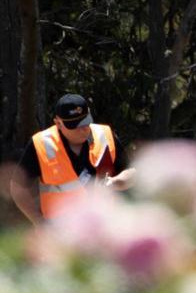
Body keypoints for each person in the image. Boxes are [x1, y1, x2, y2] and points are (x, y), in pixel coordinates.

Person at [10, 94, 136, 223]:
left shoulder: (105, 135)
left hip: (103, 226)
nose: (83, 129)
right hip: (61, 231)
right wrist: (38, 221)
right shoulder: (41, 144)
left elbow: (132, 173)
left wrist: (115, 182)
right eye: (75, 125)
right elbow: (18, 187)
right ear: (58, 123)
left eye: (86, 121)